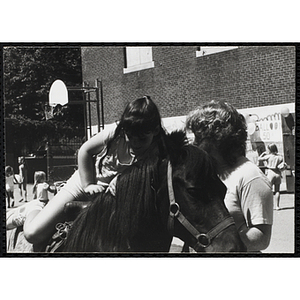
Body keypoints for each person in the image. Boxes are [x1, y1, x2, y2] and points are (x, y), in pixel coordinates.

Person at [23, 96, 168, 245]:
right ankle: (34, 208)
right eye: (130, 137)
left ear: (155, 130)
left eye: (142, 139)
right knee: (33, 234)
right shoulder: (114, 133)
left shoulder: (159, 150)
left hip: (115, 196)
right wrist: (88, 184)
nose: (135, 144)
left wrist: (121, 181)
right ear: (124, 129)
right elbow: (85, 150)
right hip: (86, 182)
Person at [186, 100, 273, 252]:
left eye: (199, 138)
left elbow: (261, 238)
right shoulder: (210, 173)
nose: (194, 144)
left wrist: (219, 234)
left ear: (218, 137)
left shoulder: (250, 176)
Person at [258, 143, 283, 210]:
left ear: (270, 150)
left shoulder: (268, 156)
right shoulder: (280, 157)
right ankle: (277, 206)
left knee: (268, 190)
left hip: (270, 173)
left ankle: (268, 206)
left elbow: (259, 159)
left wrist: (263, 153)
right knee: (277, 191)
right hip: (278, 173)